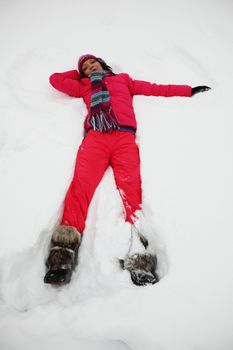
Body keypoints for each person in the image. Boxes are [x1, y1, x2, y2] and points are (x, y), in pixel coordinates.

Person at [44, 54, 210, 286]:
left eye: (93, 63)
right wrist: (81, 74)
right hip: (96, 139)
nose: (90, 67)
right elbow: (55, 80)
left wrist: (187, 90)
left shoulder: (123, 80)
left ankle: (140, 259)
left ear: (104, 64)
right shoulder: (83, 85)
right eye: (85, 67)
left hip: (124, 139)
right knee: (80, 189)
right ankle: (61, 257)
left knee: (131, 194)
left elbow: (155, 88)